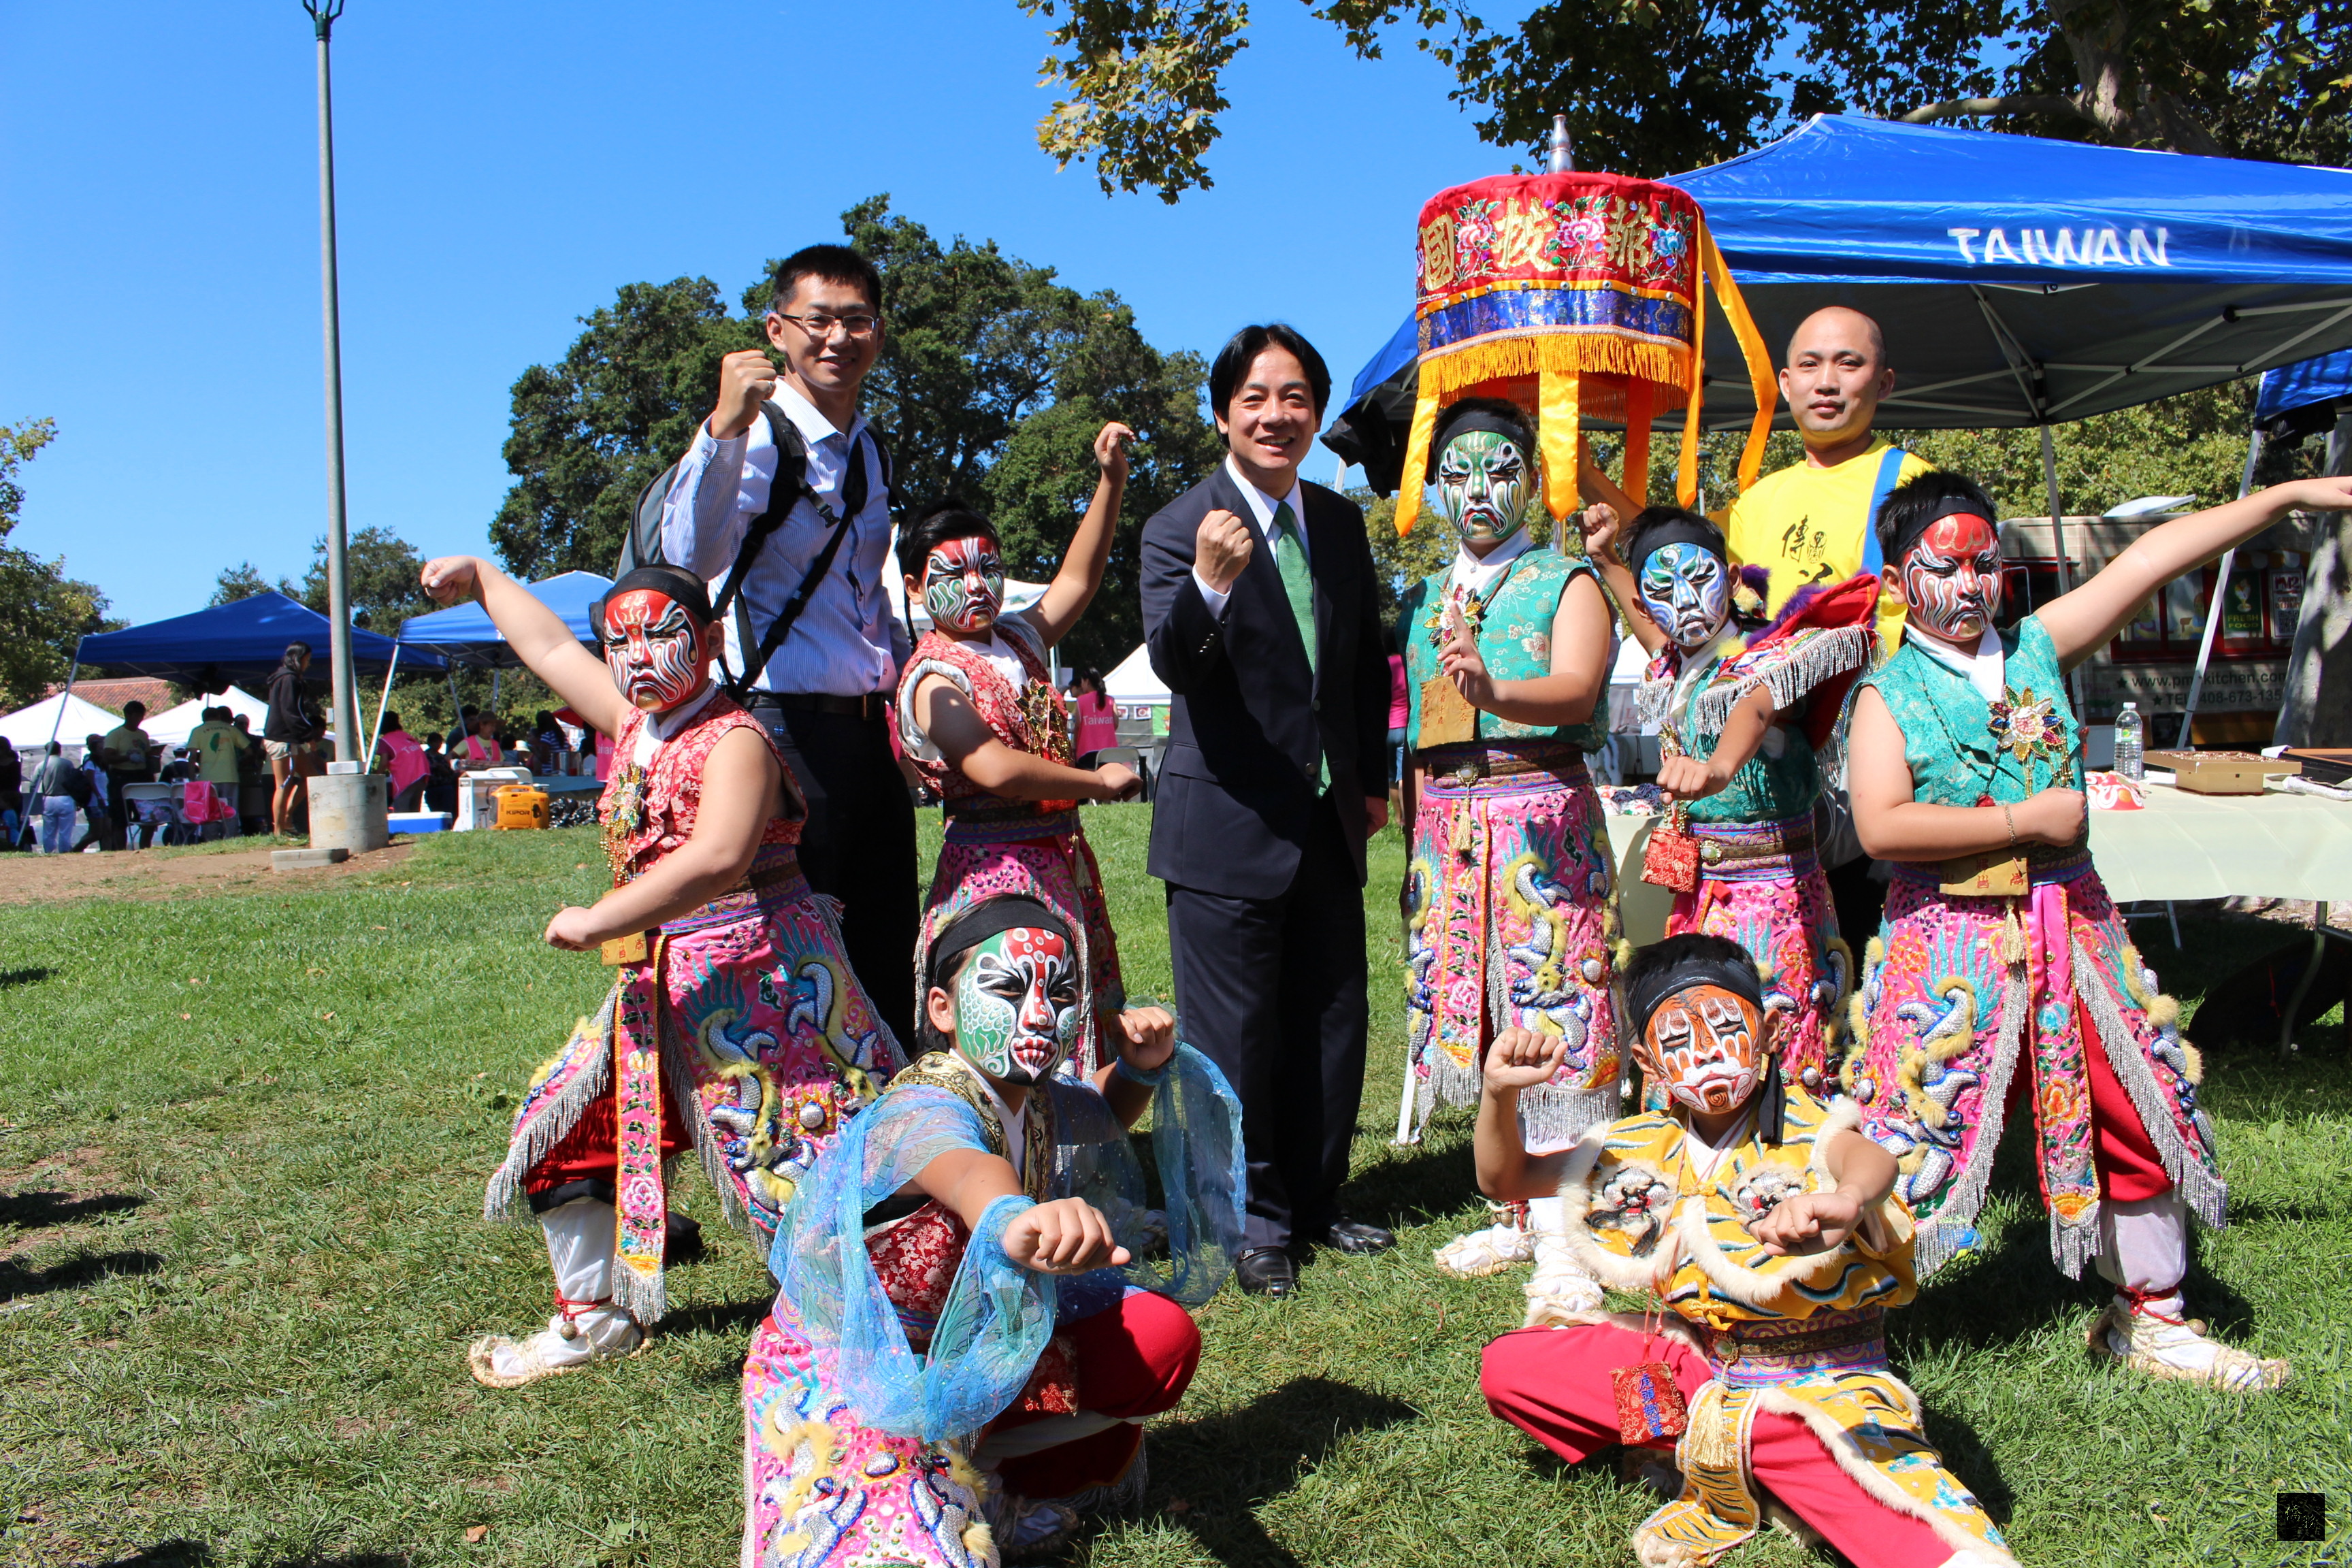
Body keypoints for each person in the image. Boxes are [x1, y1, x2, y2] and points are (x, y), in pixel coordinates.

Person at [1844, 470, 2352, 1391]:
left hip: (2076, 926)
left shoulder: (2039, 644)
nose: (1968, 586)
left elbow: (2156, 556)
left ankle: (2152, 1316)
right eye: (1943, 567)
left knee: (2137, 1096)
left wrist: (2281, 501)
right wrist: (2023, 823)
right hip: (1952, 946)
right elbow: (1882, 825)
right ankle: (1839, 1314)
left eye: (1984, 564)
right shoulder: (1887, 695)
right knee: (1915, 1127)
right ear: (1897, 578)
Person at [418, 555, 906, 1388]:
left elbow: (718, 858)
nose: (638, 657)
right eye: (620, 642)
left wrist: (601, 917)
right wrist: (486, 578)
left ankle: (882, 1314)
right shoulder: (637, 724)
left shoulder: (738, 739)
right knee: (568, 1129)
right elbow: (545, 645)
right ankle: (592, 1320)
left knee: (804, 1159)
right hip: (656, 984)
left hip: (766, 988)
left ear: (711, 642)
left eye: (660, 635)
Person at [1480, 932, 2015, 1568]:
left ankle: (1752, 1455)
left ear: (1767, 1032)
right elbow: (1504, 1180)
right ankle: (1736, 1447)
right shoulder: (1639, 1141)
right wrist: (1498, 1093)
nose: (1704, 1056)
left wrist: (1847, 1200)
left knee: (1923, 1536)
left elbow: (1868, 1161)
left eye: (1725, 1030)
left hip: (1817, 1388)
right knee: (1512, 1371)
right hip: (1699, 1362)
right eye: (1678, 1043)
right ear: (1649, 1063)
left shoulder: (1816, 1128)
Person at [740, 892, 1244, 1563]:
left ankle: (997, 1468)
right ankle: (975, 1477)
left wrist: (1137, 1069)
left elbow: (1097, 1114)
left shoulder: (1032, 1098)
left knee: (1156, 1341)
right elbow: (967, 1174)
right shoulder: (920, 1112)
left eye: (1062, 993)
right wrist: (1018, 1221)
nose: (1041, 1014)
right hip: (865, 1376)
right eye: (1007, 988)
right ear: (941, 1010)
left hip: (962, 1345)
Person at [1138, 323, 1394, 1298]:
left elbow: (1362, 666)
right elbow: (1175, 666)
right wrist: (1210, 580)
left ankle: (1321, 1202)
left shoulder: (1336, 522)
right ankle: (1253, 1221)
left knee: (1333, 1021)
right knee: (1237, 1036)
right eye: (1254, 397)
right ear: (1222, 414)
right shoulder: (1179, 527)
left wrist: (1369, 783)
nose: (1275, 414)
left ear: (1316, 413)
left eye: (1294, 397)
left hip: (1328, 820)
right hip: (1227, 827)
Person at [1391, 399, 1620, 1322]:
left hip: (1539, 821)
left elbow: (1576, 688)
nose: (1480, 489)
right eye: (1459, 472)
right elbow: (1414, 729)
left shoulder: (1567, 581)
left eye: (1498, 468)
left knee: (1561, 1005)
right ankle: (1514, 1210)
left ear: (1530, 475)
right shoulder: (1419, 596)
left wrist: (1495, 688)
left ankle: (1574, 1227)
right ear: (1437, 488)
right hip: (1447, 829)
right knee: (1480, 1008)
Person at [659, 243, 917, 1050]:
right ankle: (807, 1132)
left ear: (879, 334)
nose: (837, 338)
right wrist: (722, 428)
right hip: (782, 729)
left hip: (867, 733)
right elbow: (688, 564)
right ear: (778, 329)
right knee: (803, 945)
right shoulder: (761, 437)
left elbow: (872, 598)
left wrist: (905, 700)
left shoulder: (871, 449)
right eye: (818, 321)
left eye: (857, 321)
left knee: (882, 939)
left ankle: (898, 1137)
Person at [1586, 504, 1878, 1096]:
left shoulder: (1769, 655)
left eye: (1700, 578)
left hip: (1772, 890)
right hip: (1702, 882)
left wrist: (1719, 767)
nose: (1686, 600)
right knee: (1706, 1015)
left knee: (1780, 1018)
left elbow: (1758, 703)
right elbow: (1646, 620)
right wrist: (1606, 559)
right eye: (1662, 589)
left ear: (1735, 575)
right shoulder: (1677, 663)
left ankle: (1797, 1131)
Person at [895, 421, 1141, 1081]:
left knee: (1074, 1000)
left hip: (1060, 857)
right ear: (916, 589)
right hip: (991, 872)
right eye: (954, 572)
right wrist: (1096, 781)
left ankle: (1074, 1143)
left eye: (989, 567)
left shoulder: (1019, 640)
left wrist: (1110, 482)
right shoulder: (931, 677)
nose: (977, 584)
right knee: (1015, 1013)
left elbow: (1077, 581)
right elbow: (993, 769)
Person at [1713, 306, 1935, 947]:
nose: (1828, 382)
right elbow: (1741, 633)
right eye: (1810, 365)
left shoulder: (1913, 486)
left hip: (1885, 747)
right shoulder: (1755, 503)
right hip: (1781, 749)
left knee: (1875, 938)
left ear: (1885, 382)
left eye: (1849, 363)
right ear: (1784, 384)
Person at [265, 642, 327, 836]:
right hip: (282, 739)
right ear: (299, 659)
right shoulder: (289, 680)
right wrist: (308, 734)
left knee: (310, 777)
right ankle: (278, 831)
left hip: (290, 738)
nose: (309, 664)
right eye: (307, 660)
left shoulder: (284, 678)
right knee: (283, 784)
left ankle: (286, 820)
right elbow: (291, 712)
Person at [97, 701, 154, 851]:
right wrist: (127, 758)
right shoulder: (116, 735)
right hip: (121, 778)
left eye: (142, 716)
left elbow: (148, 754)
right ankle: (120, 850)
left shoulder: (143, 735)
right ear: (129, 715)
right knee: (120, 818)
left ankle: (144, 847)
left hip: (141, 777)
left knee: (148, 816)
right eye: (137, 716)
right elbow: (107, 757)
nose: (140, 719)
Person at [29, 742, 86, 855]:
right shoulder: (67, 763)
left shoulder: (41, 765)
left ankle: (49, 851)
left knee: (49, 830)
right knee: (65, 830)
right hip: (66, 798)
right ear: (59, 750)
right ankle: (65, 850)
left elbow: (33, 784)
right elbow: (74, 782)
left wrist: (34, 799)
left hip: (48, 799)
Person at [373, 713, 429, 811]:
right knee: (414, 811)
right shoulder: (405, 736)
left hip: (406, 777)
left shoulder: (386, 740)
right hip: (422, 774)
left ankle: (403, 828)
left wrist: (376, 777)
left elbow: (383, 762)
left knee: (402, 812)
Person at [1069, 667, 1119, 770]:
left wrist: (1075, 746)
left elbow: (1078, 725)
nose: (1082, 685)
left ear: (1087, 681)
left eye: (1082, 681)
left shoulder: (1081, 700)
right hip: (1110, 751)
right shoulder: (1110, 700)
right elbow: (1116, 723)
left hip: (1087, 752)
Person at [231, 713, 271, 836]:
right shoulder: (230, 738)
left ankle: (255, 830)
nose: (243, 726)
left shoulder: (256, 740)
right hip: (235, 775)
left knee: (253, 805)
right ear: (235, 724)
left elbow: (260, 754)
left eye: (245, 724)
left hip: (252, 776)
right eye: (240, 723)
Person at [0, 736, 21, 851]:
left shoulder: (14, 765)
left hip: (10, 799)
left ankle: (13, 845)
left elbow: (15, 784)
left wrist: (6, 800)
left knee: (11, 824)